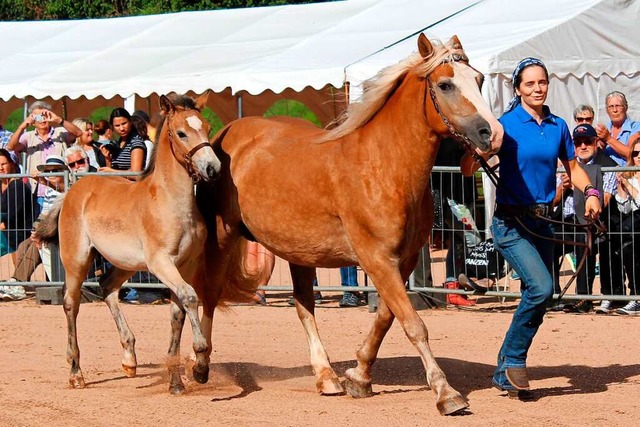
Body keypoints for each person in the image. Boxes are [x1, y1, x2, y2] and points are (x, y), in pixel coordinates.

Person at [468, 58, 601, 398]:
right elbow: (468, 168)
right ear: (517, 89)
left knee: (542, 296)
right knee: (540, 288)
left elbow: (572, 165)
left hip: (544, 222)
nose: (538, 88)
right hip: (511, 223)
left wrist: (590, 192)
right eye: (530, 84)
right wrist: (479, 146)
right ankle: (513, 361)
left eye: (542, 82)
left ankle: (504, 370)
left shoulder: (557, 125)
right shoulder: (505, 125)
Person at [559, 124, 618, 313]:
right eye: (578, 143)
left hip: (597, 219)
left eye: (588, 142)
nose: (583, 146)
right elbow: (555, 201)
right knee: (560, 248)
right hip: (568, 220)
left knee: (598, 249)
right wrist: (563, 188)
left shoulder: (607, 164)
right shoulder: (565, 166)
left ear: (596, 142)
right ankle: (569, 297)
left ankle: (597, 297)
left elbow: (607, 197)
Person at [5, 101, 81, 215]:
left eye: (45, 115)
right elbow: (11, 147)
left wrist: (58, 120)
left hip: (60, 190)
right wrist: (22, 126)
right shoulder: (28, 136)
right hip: (38, 193)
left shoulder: (60, 133)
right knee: (40, 229)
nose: (42, 119)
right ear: (32, 120)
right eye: (38, 116)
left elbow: (78, 132)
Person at [613, 136, 640, 315]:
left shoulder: (633, 181)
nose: (639, 156)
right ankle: (636, 296)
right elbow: (625, 209)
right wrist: (622, 188)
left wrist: (630, 187)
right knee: (628, 251)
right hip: (635, 226)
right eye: (636, 153)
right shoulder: (630, 175)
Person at [595, 91, 640, 166]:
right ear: (607, 110)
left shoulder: (636, 128)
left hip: (629, 176)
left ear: (626, 108)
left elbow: (633, 155)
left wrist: (608, 139)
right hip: (606, 176)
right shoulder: (604, 130)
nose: (615, 110)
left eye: (618, 106)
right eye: (611, 106)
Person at [99, 108, 146, 176]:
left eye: (124, 123)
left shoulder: (136, 142)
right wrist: (107, 158)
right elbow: (109, 173)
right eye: (117, 125)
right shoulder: (117, 144)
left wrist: (112, 171)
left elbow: (136, 174)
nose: (121, 128)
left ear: (130, 122)